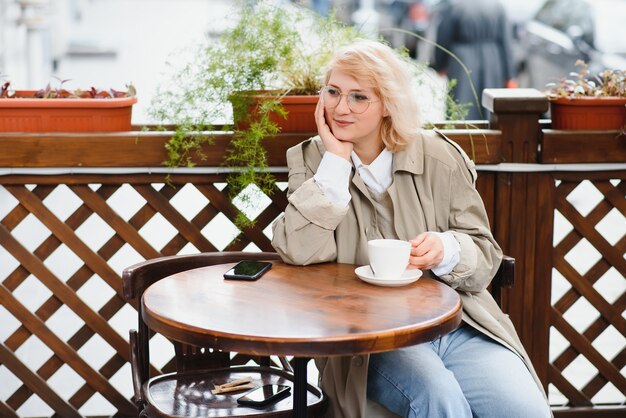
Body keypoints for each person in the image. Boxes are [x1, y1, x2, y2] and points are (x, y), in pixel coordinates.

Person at [271, 39, 550, 418]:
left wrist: (446, 248)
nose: (340, 108)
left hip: (459, 324)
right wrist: (335, 164)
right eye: (333, 92)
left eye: (358, 97)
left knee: (526, 411)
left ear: (387, 104)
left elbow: (486, 253)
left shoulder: (439, 157)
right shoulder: (311, 160)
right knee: (440, 401)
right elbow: (297, 250)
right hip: (371, 339)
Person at [432, 0, 516, 120]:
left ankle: (460, 134)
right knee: (490, 102)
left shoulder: (455, 6)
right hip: (492, 59)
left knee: (462, 100)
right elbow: (506, 43)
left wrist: (440, 65)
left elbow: (443, 37)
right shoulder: (498, 7)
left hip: (463, 61)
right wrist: (509, 75)